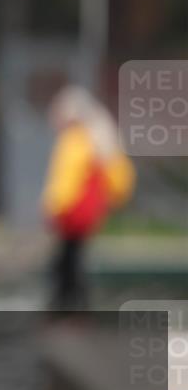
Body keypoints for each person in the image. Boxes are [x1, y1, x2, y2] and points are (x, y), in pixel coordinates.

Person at [42, 85, 135, 311]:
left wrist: (52, 207)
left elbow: (66, 180)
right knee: (72, 259)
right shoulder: (97, 139)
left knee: (66, 261)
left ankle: (68, 306)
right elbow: (118, 178)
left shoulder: (75, 141)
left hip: (72, 213)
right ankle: (75, 304)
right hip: (88, 214)